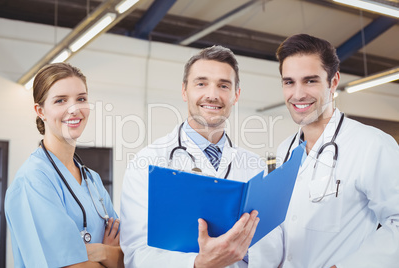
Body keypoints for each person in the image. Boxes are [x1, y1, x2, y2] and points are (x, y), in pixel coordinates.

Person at [120, 45, 282, 268]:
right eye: (201, 83)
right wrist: (198, 263)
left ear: (236, 95)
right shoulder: (147, 162)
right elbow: (136, 254)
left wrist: (241, 253)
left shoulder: (255, 166)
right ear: (185, 91)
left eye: (223, 85)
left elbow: (274, 244)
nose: (212, 95)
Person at [253, 33, 399, 267]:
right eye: (289, 82)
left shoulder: (372, 144)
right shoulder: (285, 150)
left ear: (333, 82)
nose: (298, 94)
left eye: (310, 81)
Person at [5, 63, 124, 268]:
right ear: (40, 110)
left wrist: (101, 252)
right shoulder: (33, 180)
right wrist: (109, 256)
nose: (74, 109)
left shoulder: (92, 179)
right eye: (60, 100)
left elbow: (127, 257)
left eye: (81, 99)